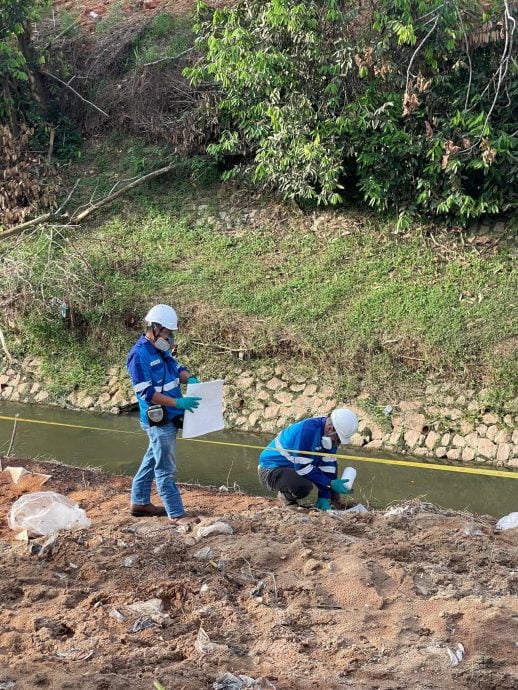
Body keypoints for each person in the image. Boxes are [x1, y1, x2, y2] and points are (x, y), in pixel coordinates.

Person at [126, 304, 202, 525]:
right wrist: (177, 401)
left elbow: (178, 369)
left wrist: (190, 378)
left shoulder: (161, 349)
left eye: (171, 333)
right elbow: (147, 393)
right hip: (159, 419)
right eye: (167, 332)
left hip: (171, 415)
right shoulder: (138, 356)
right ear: (155, 327)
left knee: (152, 459)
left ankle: (139, 503)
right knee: (165, 467)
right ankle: (176, 514)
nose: (169, 337)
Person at [258, 408, 359, 510]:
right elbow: (301, 467)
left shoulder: (330, 437)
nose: (337, 443)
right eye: (338, 439)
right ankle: (286, 499)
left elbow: (329, 467)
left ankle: (328, 503)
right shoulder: (307, 431)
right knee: (303, 485)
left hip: (293, 467)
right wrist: (329, 483)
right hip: (270, 470)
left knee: (332, 480)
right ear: (330, 428)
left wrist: (324, 496)